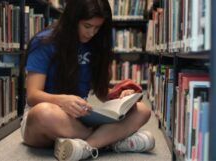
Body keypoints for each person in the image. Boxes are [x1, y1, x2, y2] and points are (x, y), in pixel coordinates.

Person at [20, 0, 155, 160]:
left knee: (142, 110)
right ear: (72, 20)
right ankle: (111, 141)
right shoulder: (45, 42)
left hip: (80, 119)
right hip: (49, 120)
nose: (92, 33)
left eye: (97, 28)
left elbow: (101, 93)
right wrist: (62, 101)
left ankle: (84, 147)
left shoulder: (96, 44)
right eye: (87, 26)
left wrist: (121, 98)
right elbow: (33, 96)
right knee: (44, 113)